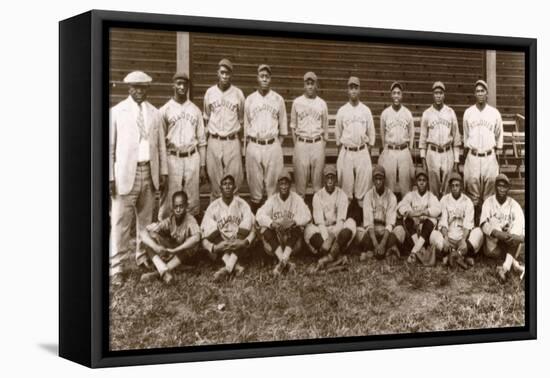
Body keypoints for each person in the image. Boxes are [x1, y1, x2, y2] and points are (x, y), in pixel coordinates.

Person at [109, 70, 168, 286]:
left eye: (144, 87)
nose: (140, 91)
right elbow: (110, 148)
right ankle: (117, 266)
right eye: (136, 87)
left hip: (148, 171)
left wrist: (162, 172)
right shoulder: (116, 112)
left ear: (148, 89)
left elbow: (160, 145)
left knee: (145, 221)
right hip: (125, 174)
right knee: (120, 222)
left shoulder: (154, 113)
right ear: (129, 88)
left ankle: (142, 257)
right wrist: (110, 176)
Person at [158, 72, 207, 219]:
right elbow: (160, 143)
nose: (181, 87)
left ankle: (190, 229)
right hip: (173, 156)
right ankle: (166, 229)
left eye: (184, 84)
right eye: (178, 83)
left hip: (192, 156)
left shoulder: (195, 110)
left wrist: (202, 166)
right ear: (173, 85)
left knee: (192, 196)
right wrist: (162, 168)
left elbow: (202, 140)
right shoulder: (164, 110)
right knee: (170, 196)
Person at [244, 64, 288, 213]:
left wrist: (274, 144)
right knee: (255, 186)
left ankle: (271, 219)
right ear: (257, 78)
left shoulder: (278, 99)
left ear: (270, 79)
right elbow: (246, 126)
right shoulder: (249, 100)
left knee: (273, 186)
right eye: (261, 76)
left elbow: (283, 129)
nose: (264, 79)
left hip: (272, 144)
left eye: (267, 77)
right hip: (254, 144)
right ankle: (257, 220)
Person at [203, 58, 245, 200]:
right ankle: (215, 216)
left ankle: (233, 215)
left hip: (232, 140)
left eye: (227, 73)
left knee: (234, 181)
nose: (225, 76)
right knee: (215, 182)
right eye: (222, 73)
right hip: (214, 140)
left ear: (231, 75)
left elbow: (241, 120)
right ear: (218, 74)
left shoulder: (238, 94)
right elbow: (206, 117)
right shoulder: (209, 93)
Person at [200, 174, 255, 281]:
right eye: (224, 184)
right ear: (220, 188)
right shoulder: (213, 206)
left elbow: (253, 227)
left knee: (249, 226)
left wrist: (244, 242)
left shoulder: (242, 204)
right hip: (221, 243)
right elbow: (203, 231)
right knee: (209, 228)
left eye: (230, 184)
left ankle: (226, 269)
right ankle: (235, 266)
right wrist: (214, 247)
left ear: (234, 187)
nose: (227, 187)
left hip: (238, 242)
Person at [256, 170, 312, 275]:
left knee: (299, 227)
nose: (284, 186)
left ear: (290, 185)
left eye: (286, 183)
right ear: (278, 185)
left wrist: (294, 222)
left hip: (292, 243)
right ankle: (284, 260)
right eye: (281, 183)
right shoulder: (272, 199)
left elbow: (308, 215)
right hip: (275, 242)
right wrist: (271, 223)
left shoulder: (296, 198)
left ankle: (283, 259)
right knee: (264, 228)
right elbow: (259, 215)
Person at [463, 79, 503, 220]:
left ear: (487, 93)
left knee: (489, 192)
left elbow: (499, 135)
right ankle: (474, 225)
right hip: (473, 156)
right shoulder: (468, 113)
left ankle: (487, 224)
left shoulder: (494, 113)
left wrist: (498, 154)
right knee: (473, 192)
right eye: (478, 91)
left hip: (489, 156)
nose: (480, 93)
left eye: (483, 91)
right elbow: (466, 135)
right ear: (475, 94)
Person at [140, 191, 201, 283]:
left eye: (181, 206)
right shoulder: (171, 219)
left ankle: (156, 274)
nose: (178, 209)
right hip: (174, 253)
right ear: (172, 207)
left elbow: (197, 237)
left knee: (190, 245)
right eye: (176, 206)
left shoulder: (190, 220)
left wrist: (176, 250)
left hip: (187, 257)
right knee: (149, 241)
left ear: (186, 206)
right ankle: (164, 270)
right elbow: (144, 232)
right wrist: (156, 245)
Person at [304, 166, 357, 272]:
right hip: (323, 230)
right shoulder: (317, 195)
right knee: (308, 229)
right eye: (327, 177)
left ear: (336, 179)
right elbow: (319, 222)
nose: (329, 180)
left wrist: (332, 237)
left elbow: (341, 221)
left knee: (351, 223)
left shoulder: (342, 194)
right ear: (324, 179)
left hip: (337, 231)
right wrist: (326, 240)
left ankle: (328, 258)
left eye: (332, 177)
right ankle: (337, 257)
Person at [335, 76, 376, 207]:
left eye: (356, 87)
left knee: (363, 193)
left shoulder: (366, 110)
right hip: (347, 150)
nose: (353, 90)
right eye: (351, 87)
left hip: (361, 150)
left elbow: (371, 133)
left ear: (359, 90)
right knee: (345, 192)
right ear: (348, 90)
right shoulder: (342, 110)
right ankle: (345, 221)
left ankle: (363, 222)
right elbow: (338, 134)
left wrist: (366, 151)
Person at [430, 172, 484, 268]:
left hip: (462, 240)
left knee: (479, 232)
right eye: (452, 185)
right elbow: (443, 222)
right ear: (450, 187)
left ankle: (454, 255)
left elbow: (468, 224)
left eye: (457, 185)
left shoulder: (468, 201)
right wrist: (446, 238)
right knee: (433, 235)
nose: (455, 188)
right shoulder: (444, 199)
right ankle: (461, 256)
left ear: (461, 187)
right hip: (449, 239)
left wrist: (463, 240)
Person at [419, 81, 461, 198]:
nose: (438, 95)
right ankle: (435, 213)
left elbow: (456, 137)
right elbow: (422, 138)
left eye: (440, 93)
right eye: (436, 93)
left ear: (444, 95)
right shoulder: (427, 113)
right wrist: (423, 159)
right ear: (433, 94)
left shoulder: (450, 112)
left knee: (448, 186)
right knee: (433, 187)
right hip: (432, 152)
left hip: (447, 152)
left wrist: (456, 161)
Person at [480, 174, 525, 282]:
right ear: (495, 187)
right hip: (493, 247)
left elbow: (522, 230)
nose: (501, 189)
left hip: (511, 244)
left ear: (508, 188)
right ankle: (514, 263)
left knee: (517, 225)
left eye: (504, 186)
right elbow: (482, 224)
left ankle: (505, 267)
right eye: (499, 186)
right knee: (494, 221)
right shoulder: (488, 202)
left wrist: (513, 237)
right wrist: (499, 234)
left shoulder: (514, 205)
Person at [290, 71, 329, 197]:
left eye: (312, 83)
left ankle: (317, 215)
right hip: (302, 143)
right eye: (308, 83)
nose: (310, 86)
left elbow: (325, 127)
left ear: (316, 85)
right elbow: (293, 126)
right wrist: (297, 146)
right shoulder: (297, 102)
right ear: (304, 85)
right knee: (300, 187)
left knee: (318, 187)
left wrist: (321, 146)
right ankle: (302, 215)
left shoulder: (322, 103)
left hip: (317, 143)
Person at [357, 165, 403, 263]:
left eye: (380, 179)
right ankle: (385, 250)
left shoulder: (391, 196)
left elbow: (390, 224)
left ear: (384, 179)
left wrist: (382, 243)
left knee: (400, 231)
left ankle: (374, 251)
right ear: (373, 180)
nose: (378, 182)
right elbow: (369, 223)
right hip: (372, 232)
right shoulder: (368, 195)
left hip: (385, 231)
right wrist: (376, 244)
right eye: (376, 179)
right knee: (358, 232)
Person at [396, 168, 441, 265]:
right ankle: (419, 249)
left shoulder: (431, 196)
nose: (421, 183)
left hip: (426, 234)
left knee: (432, 219)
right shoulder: (411, 195)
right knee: (407, 218)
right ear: (416, 182)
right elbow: (400, 206)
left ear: (427, 182)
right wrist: (411, 213)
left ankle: (414, 252)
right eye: (419, 180)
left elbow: (438, 209)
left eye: (424, 180)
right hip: (413, 234)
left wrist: (424, 212)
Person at [378, 81, 415, 199]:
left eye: (398, 93)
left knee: (406, 184)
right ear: (390, 95)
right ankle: (390, 211)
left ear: (402, 95)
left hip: (403, 149)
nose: (396, 96)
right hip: (390, 149)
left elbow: (412, 133)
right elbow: (382, 133)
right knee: (389, 183)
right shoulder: (385, 114)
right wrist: (385, 148)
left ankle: (405, 212)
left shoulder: (407, 113)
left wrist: (409, 148)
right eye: (394, 93)